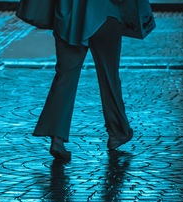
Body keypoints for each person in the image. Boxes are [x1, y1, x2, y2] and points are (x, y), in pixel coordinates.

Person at [33, 0, 133, 161]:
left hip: (69, 17)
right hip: (105, 15)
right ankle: (117, 132)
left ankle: (57, 137)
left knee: (65, 77)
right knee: (109, 76)